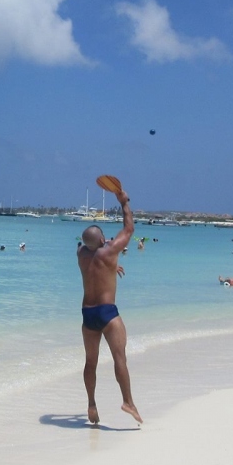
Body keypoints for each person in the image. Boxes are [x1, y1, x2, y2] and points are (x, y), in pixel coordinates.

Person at [77, 182, 142, 425]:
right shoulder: (109, 251)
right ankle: (128, 402)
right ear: (103, 238)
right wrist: (124, 201)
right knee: (119, 358)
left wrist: (113, 265)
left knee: (90, 362)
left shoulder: (81, 255)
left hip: (88, 314)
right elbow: (129, 228)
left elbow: (93, 254)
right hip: (107, 312)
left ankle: (92, 405)